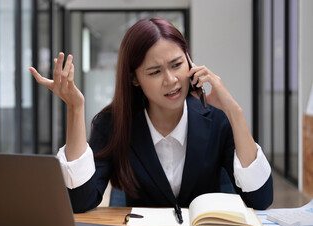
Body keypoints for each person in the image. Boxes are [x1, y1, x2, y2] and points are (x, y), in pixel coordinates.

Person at [29, 17, 273, 213]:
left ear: (190, 62)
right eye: (155, 72)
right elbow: (80, 202)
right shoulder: (114, 123)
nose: (171, 80)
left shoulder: (216, 119)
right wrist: (75, 108)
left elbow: (261, 199)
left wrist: (235, 112)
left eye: (177, 65)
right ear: (135, 78)